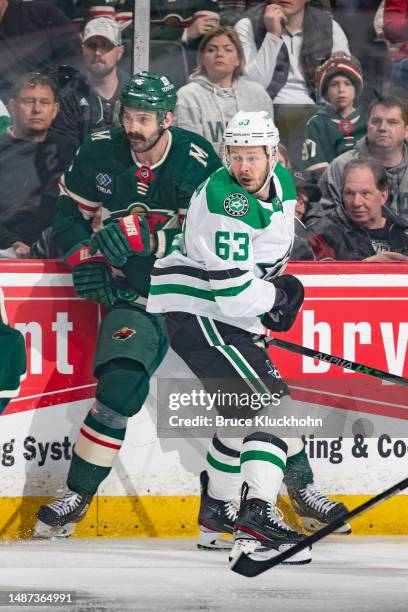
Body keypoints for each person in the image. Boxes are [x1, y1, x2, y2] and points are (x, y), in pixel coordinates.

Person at [147, 111, 350, 561]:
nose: (244, 167)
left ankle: (218, 514)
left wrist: (272, 299)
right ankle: (256, 520)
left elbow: (257, 267)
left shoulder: (282, 181)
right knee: (273, 407)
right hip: (202, 309)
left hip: (222, 313)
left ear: (271, 153)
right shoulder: (225, 202)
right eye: (235, 156)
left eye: (252, 156)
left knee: (241, 418)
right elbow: (235, 294)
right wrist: (276, 296)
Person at [34, 71, 222, 537]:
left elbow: (213, 236)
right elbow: (68, 216)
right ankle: (77, 495)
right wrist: (83, 258)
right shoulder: (100, 149)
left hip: (198, 297)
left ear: (167, 119)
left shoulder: (195, 160)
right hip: (135, 296)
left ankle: (295, 487)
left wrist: (152, 238)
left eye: (144, 118)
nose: (133, 127)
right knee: (117, 390)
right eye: (128, 116)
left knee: (250, 395)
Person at [234, 0, 350, 167]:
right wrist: (273, 36)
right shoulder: (248, 25)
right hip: (266, 109)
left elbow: (343, 82)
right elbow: (252, 87)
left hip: (316, 110)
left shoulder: (329, 27)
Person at [0, 72, 76, 258]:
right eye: (29, 101)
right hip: (6, 252)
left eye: (44, 102)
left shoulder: (68, 148)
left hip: (58, 250)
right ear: (13, 106)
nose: (37, 109)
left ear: (55, 109)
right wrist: (11, 242)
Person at [173, 26, 274, 157]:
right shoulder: (188, 96)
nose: (219, 54)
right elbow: (189, 151)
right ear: (202, 59)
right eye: (211, 49)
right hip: (207, 174)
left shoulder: (258, 94)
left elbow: (268, 146)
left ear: (238, 59)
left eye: (227, 49)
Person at [318, 95, 408, 222]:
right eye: (376, 121)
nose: (382, 128)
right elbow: (319, 217)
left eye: (392, 122)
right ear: (367, 125)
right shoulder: (341, 166)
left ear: (406, 130)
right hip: (351, 240)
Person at [50, 16, 129, 147]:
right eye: (91, 45)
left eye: (106, 46)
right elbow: (67, 151)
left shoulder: (134, 91)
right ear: (83, 49)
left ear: (120, 52)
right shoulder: (68, 97)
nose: (97, 52)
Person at [310, 157, 408, 261]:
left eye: (365, 193)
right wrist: (365, 266)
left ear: (383, 196)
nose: (356, 202)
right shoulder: (324, 234)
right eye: (350, 193)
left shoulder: (403, 232)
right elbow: (320, 275)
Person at [0, 0, 83, 104]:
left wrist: (50, 93)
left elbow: (73, 58)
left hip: (57, 103)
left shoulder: (42, 13)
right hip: (7, 111)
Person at [302, 55, 367, 176]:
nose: (341, 90)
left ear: (356, 89)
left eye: (347, 84)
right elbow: (316, 166)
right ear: (326, 90)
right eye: (334, 85)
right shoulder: (317, 123)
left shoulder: (369, 119)